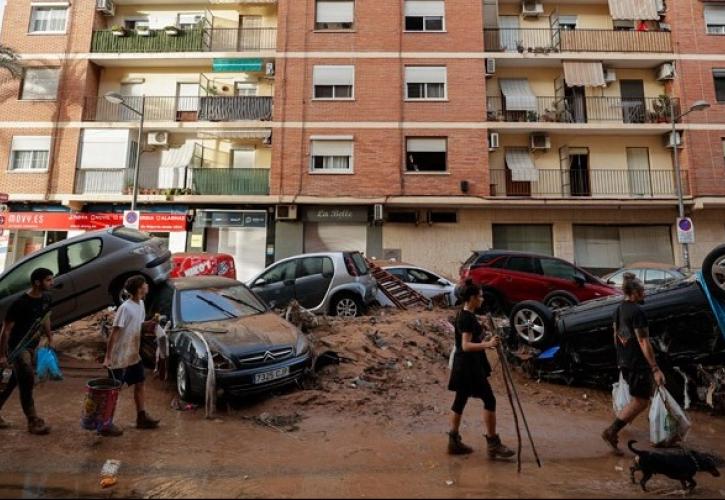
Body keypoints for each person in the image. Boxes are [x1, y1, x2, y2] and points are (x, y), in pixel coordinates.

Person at [447, 279, 515, 459]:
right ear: (471, 298)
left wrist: (484, 333)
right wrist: (488, 344)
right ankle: (493, 443)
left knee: (460, 401)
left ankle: (453, 441)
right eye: (480, 296)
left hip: (465, 365)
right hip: (469, 366)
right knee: (489, 400)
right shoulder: (467, 317)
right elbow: (466, 345)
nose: (482, 299)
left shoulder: (464, 314)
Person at [601, 272, 665, 454]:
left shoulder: (618, 309)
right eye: (642, 290)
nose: (644, 293)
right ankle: (611, 431)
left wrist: (621, 360)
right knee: (641, 401)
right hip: (637, 363)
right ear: (635, 292)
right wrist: (655, 368)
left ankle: (613, 430)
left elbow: (615, 336)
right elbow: (643, 341)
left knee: (640, 398)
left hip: (625, 361)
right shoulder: (638, 312)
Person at [103, 275, 160, 436]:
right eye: (145, 284)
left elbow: (138, 325)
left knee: (140, 382)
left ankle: (141, 417)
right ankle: (106, 423)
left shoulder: (141, 304)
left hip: (133, 353)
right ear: (139, 288)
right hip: (119, 355)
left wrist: (150, 324)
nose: (147, 286)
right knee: (114, 389)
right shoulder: (125, 308)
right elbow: (114, 333)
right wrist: (108, 357)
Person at [0, 268, 54, 435]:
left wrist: (50, 337)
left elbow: (45, 318)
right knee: (27, 380)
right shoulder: (20, 303)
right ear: (37, 282)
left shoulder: (46, 299)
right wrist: (2, 355)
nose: (52, 283)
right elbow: (6, 330)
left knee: (13, 383)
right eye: (48, 280)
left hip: (32, 346)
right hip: (17, 348)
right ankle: (33, 420)